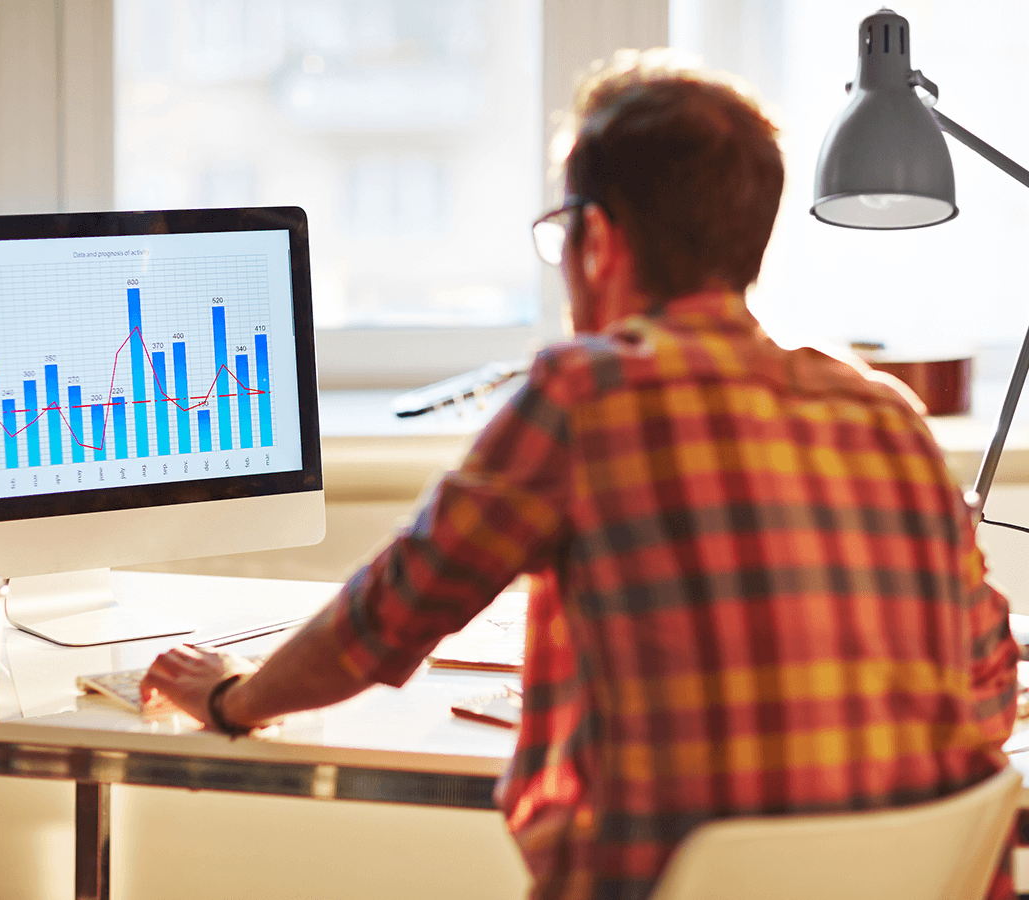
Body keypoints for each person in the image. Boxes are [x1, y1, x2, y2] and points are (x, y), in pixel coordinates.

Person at [142, 50, 1018, 900]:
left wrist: (230, 695)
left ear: (595, 239)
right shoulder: (885, 413)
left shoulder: (586, 394)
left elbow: (385, 621)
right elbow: (990, 679)